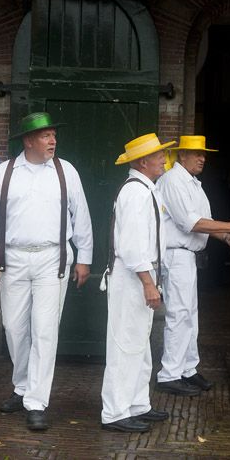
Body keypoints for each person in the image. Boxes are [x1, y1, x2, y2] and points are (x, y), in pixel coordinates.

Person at [0, 112, 93, 432]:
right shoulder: (5, 172)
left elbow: (80, 215)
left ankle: (37, 401)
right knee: (14, 329)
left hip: (52, 259)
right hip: (12, 258)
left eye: (54, 135)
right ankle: (22, 387)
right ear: (28, 141)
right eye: (46, 136)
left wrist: (84, 257)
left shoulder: (65, 171)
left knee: (44, 330)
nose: (53, 140)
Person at [155, 135, 230, 395]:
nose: (202, 158)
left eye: (203, 154)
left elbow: (206, 221)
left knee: (190, 316)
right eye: (196, 153)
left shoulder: (194, 184)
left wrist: (226, 237)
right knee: (179, 315)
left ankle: (187, 369)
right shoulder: (172, 181)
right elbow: (190, 222)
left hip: (187, 257)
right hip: (175, 254)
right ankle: (169, 375)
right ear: (181, 155)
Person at [100, 133, 174, 433]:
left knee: (139, 344)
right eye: (159, 156)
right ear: (143, 162)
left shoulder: (146, 189)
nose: (163, 160)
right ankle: (115, 411)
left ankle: (137, 404)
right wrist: (148, 282)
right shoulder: (136, 193)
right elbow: (131, 246)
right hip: (132, 276)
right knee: (125, 344)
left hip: (141, 274)